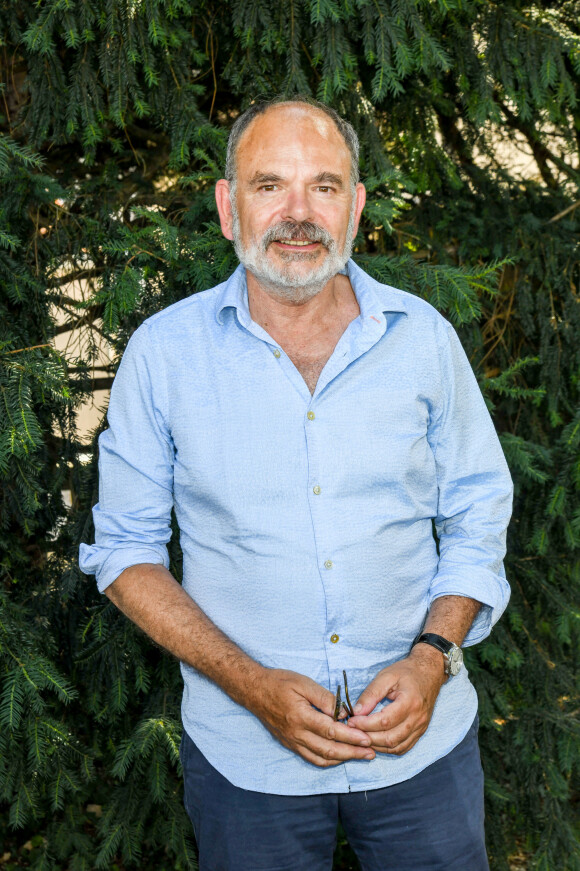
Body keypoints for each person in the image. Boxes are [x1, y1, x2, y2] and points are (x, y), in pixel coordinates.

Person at [80, 96, 513, 871]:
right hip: (247, 764)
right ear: (226, 206)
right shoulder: (164, 355)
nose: (298, 213)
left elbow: (480, 508)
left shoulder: (424, 340)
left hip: (425, 755)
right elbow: (125, 553)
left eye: (324, 186)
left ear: (356, 207)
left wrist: (432, 656)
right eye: (269, 184)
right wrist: (251, 686)